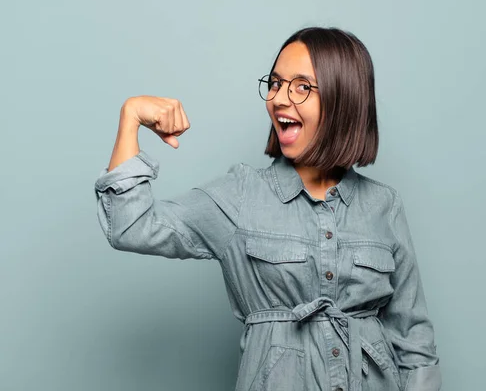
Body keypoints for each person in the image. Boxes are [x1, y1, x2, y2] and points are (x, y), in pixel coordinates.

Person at [95, 27, 441, 391]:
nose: (278, 99)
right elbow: (129, 226)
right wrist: (130, 117)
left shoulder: (384, 205)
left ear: (344, 99)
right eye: (275, 84)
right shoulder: (241, 194)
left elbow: (413, 339)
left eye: (301, 87)